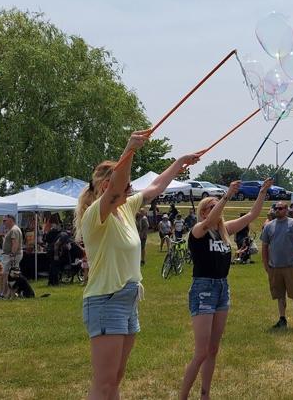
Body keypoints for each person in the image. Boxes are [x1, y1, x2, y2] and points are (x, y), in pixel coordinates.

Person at [76, 128, 200, 400]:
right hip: (106, 300)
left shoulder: (126, 209)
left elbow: (155, 188)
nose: (130, 189)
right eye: (125, 185)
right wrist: (129, 150)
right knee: (104, 382)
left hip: (127, 299)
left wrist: (180, 163)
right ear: (107, 187)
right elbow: (118, 187)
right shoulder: (96, 215)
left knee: (116, 378)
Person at [178, 178, 272, 400]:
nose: (216, 210)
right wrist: (227, 195)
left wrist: (262, 193)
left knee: (213, 350)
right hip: (203, 288)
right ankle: (182, 396)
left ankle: (205, 395)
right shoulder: (199, 230)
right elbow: (212, 219)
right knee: (201, 352)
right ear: (203, 213)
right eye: (211, 207)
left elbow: (251, 216)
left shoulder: (225, 231)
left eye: (216, 206)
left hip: (222, 288)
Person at [261, 200, 293, 329]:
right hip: (275, 267)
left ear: (286, 210)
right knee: (279, 295)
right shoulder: (269, 226)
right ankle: (282, 319)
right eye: (276, 208)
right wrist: (266, 264)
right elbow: (264, 247)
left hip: (290, 266)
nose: (278, 210)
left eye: (281, 208)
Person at [0, 215, 23, 299]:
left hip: (13, 255)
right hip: (12, 255)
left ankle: (5, 293)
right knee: (11, 275)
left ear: (11, 220)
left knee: (8, 275)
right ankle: (10, 293)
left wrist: (12, 254)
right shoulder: (12, 229)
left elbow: (15, 243)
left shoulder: (14, 230)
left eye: (5, 221)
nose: (3, 223)